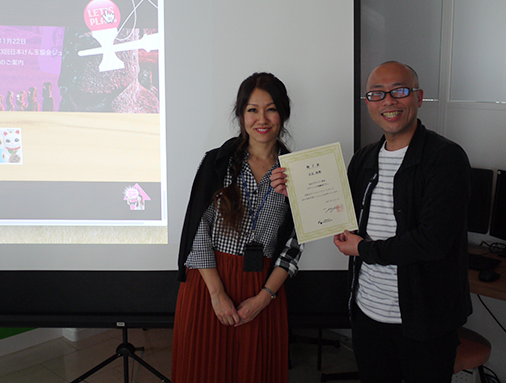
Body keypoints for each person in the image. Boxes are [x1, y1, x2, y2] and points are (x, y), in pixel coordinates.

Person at [272, 61, 472, 383]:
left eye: (399, 91)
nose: (388, 101)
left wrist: (364, 249)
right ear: (368, 103)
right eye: (377, 94)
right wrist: (295, 192)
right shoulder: (364, 158)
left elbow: (433, 241)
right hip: (367, 315)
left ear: (419, 97)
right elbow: (339, 212)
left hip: (424, 322)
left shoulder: (445, 158)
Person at [172, 72, 303, 383]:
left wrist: (264, 298)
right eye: (252, 110)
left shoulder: (298, 170)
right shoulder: (217, 162)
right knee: (204, 372)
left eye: (271, 109)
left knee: (254, 371)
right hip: (208, 283)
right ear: (241, 114)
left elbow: (296, 244)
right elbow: (197, 231)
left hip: (263, 286)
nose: (262, 119)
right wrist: (217, 294)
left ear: (283, 114)